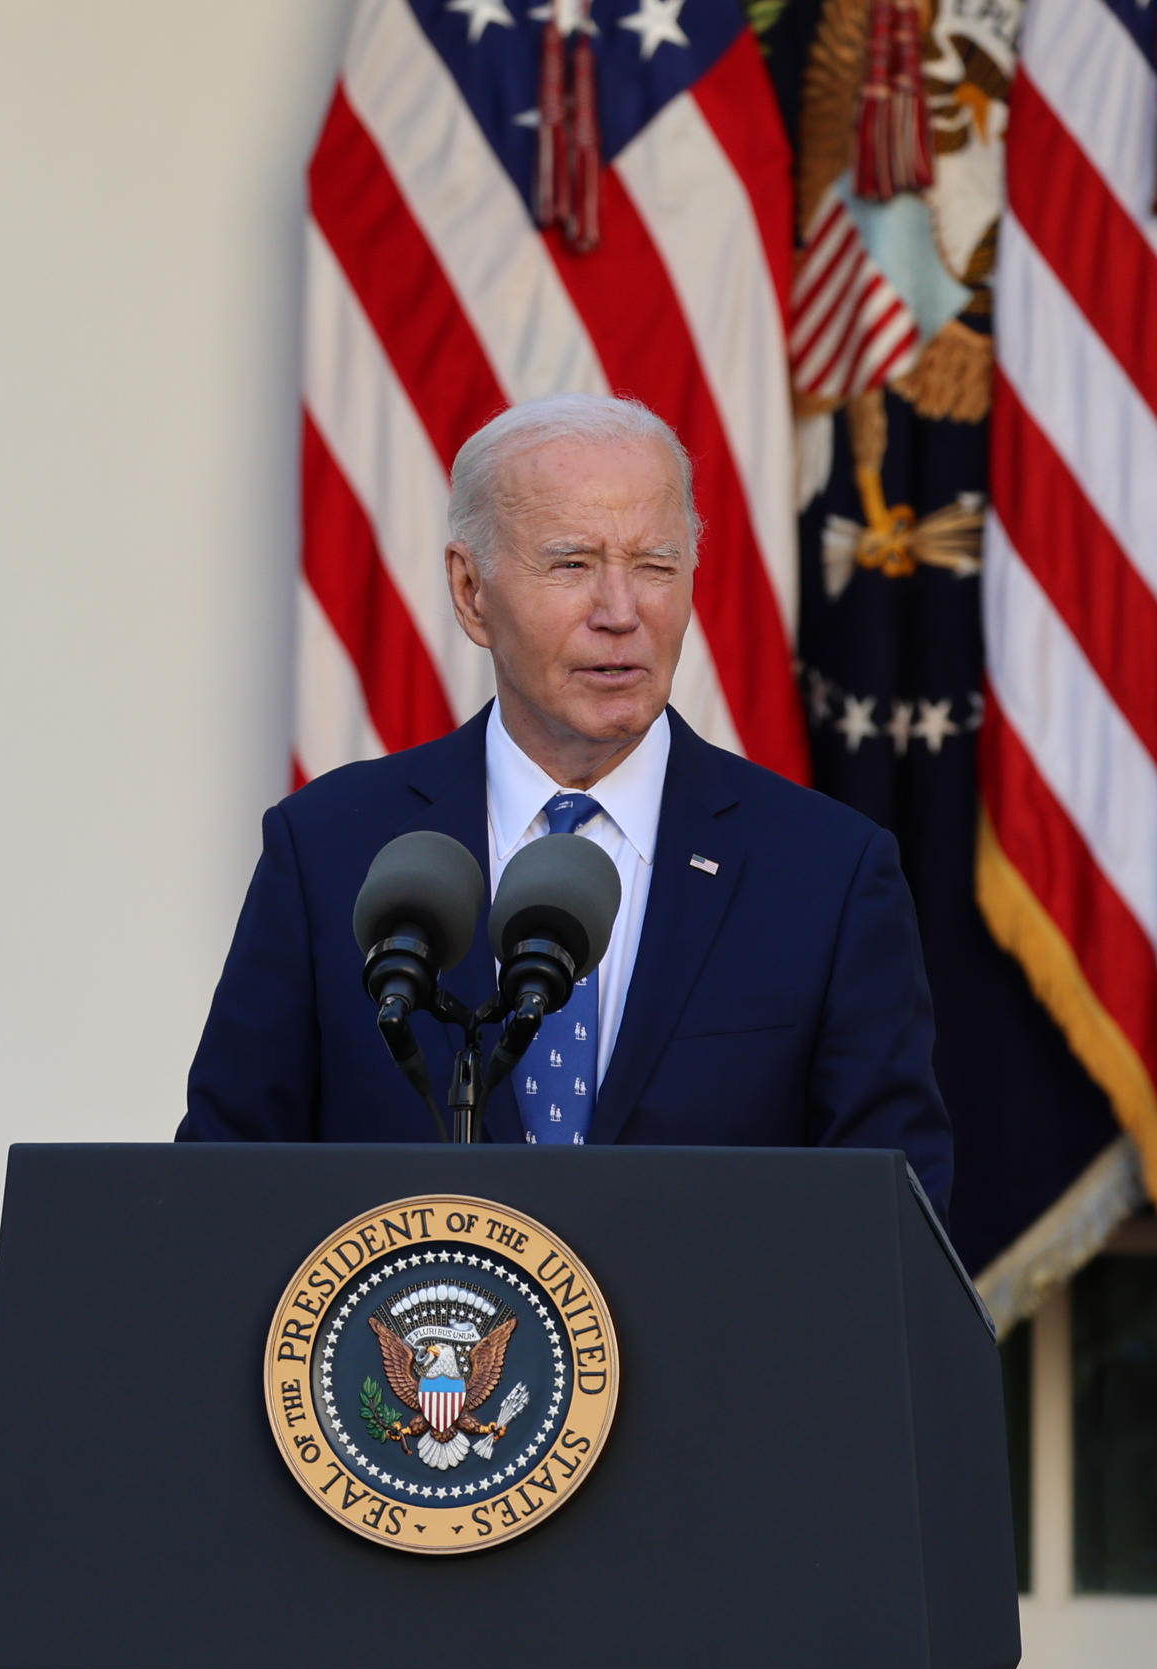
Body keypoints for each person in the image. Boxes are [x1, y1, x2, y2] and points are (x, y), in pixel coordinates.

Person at [177, 394, 952, 1221]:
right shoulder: (329, 851)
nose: (621, 613)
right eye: (572, 564)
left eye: (655, 565)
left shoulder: (826, 875)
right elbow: (222, 1198)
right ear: (471, 592)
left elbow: (894, 1237)